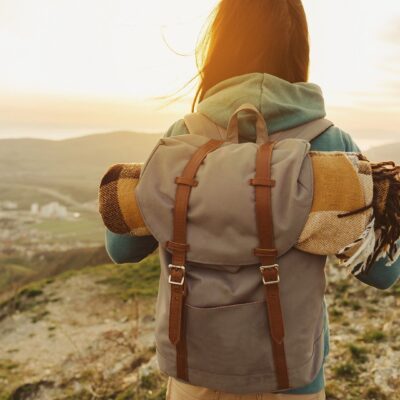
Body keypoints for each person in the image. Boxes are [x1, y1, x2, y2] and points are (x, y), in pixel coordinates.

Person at [105, 1, 400, 399]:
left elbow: (121, 247)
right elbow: (382, 272)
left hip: (196, 374)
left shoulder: (183, 138)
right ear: (299, 49)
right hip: (293, 377)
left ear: (219, 46)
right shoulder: (331, 144)